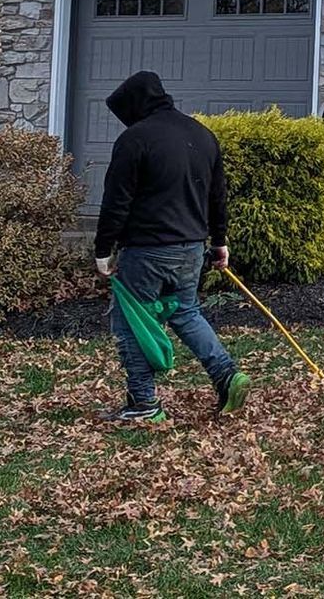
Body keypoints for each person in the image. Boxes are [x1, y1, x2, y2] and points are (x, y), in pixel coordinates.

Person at [94, 70, 250, 423]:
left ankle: (143, 403)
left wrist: (103, 250)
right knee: (186, 312)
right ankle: (227, 376)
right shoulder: (203, 135)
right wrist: (220, 242)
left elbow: (116, 201)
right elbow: (217, 197)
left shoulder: (135, 140)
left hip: (146, 250)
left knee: (133, 322)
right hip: (191, 248)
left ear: (135, 105)